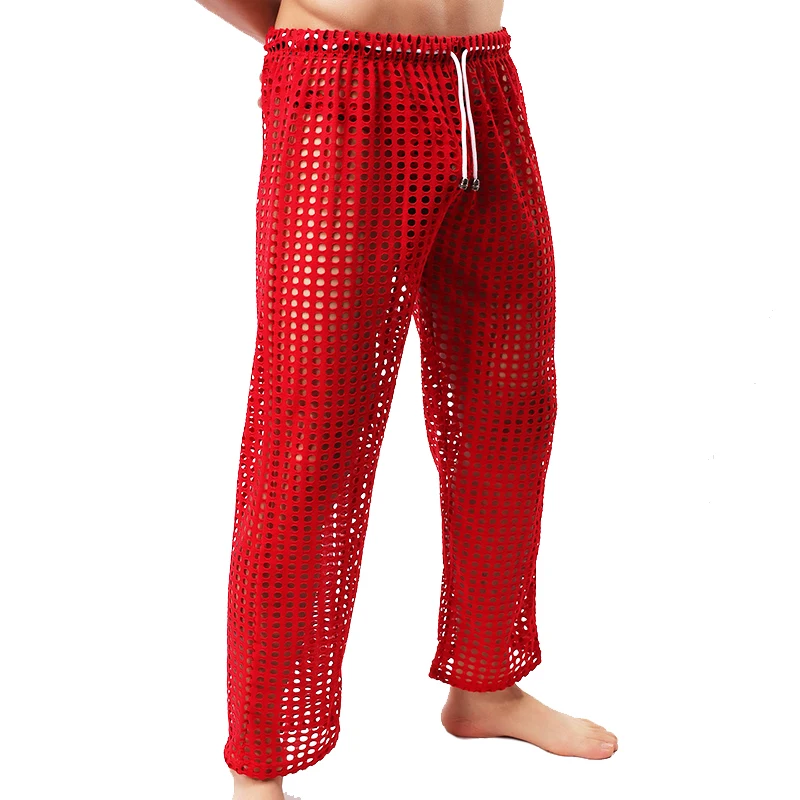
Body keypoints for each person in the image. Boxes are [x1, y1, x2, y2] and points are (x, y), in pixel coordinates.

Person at [193, 1, 618, 798]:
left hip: (479, 77)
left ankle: (485, 684)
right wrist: (309, 35)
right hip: (343, 82)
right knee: (311, 433)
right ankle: (260, 762)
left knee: (511, 403)